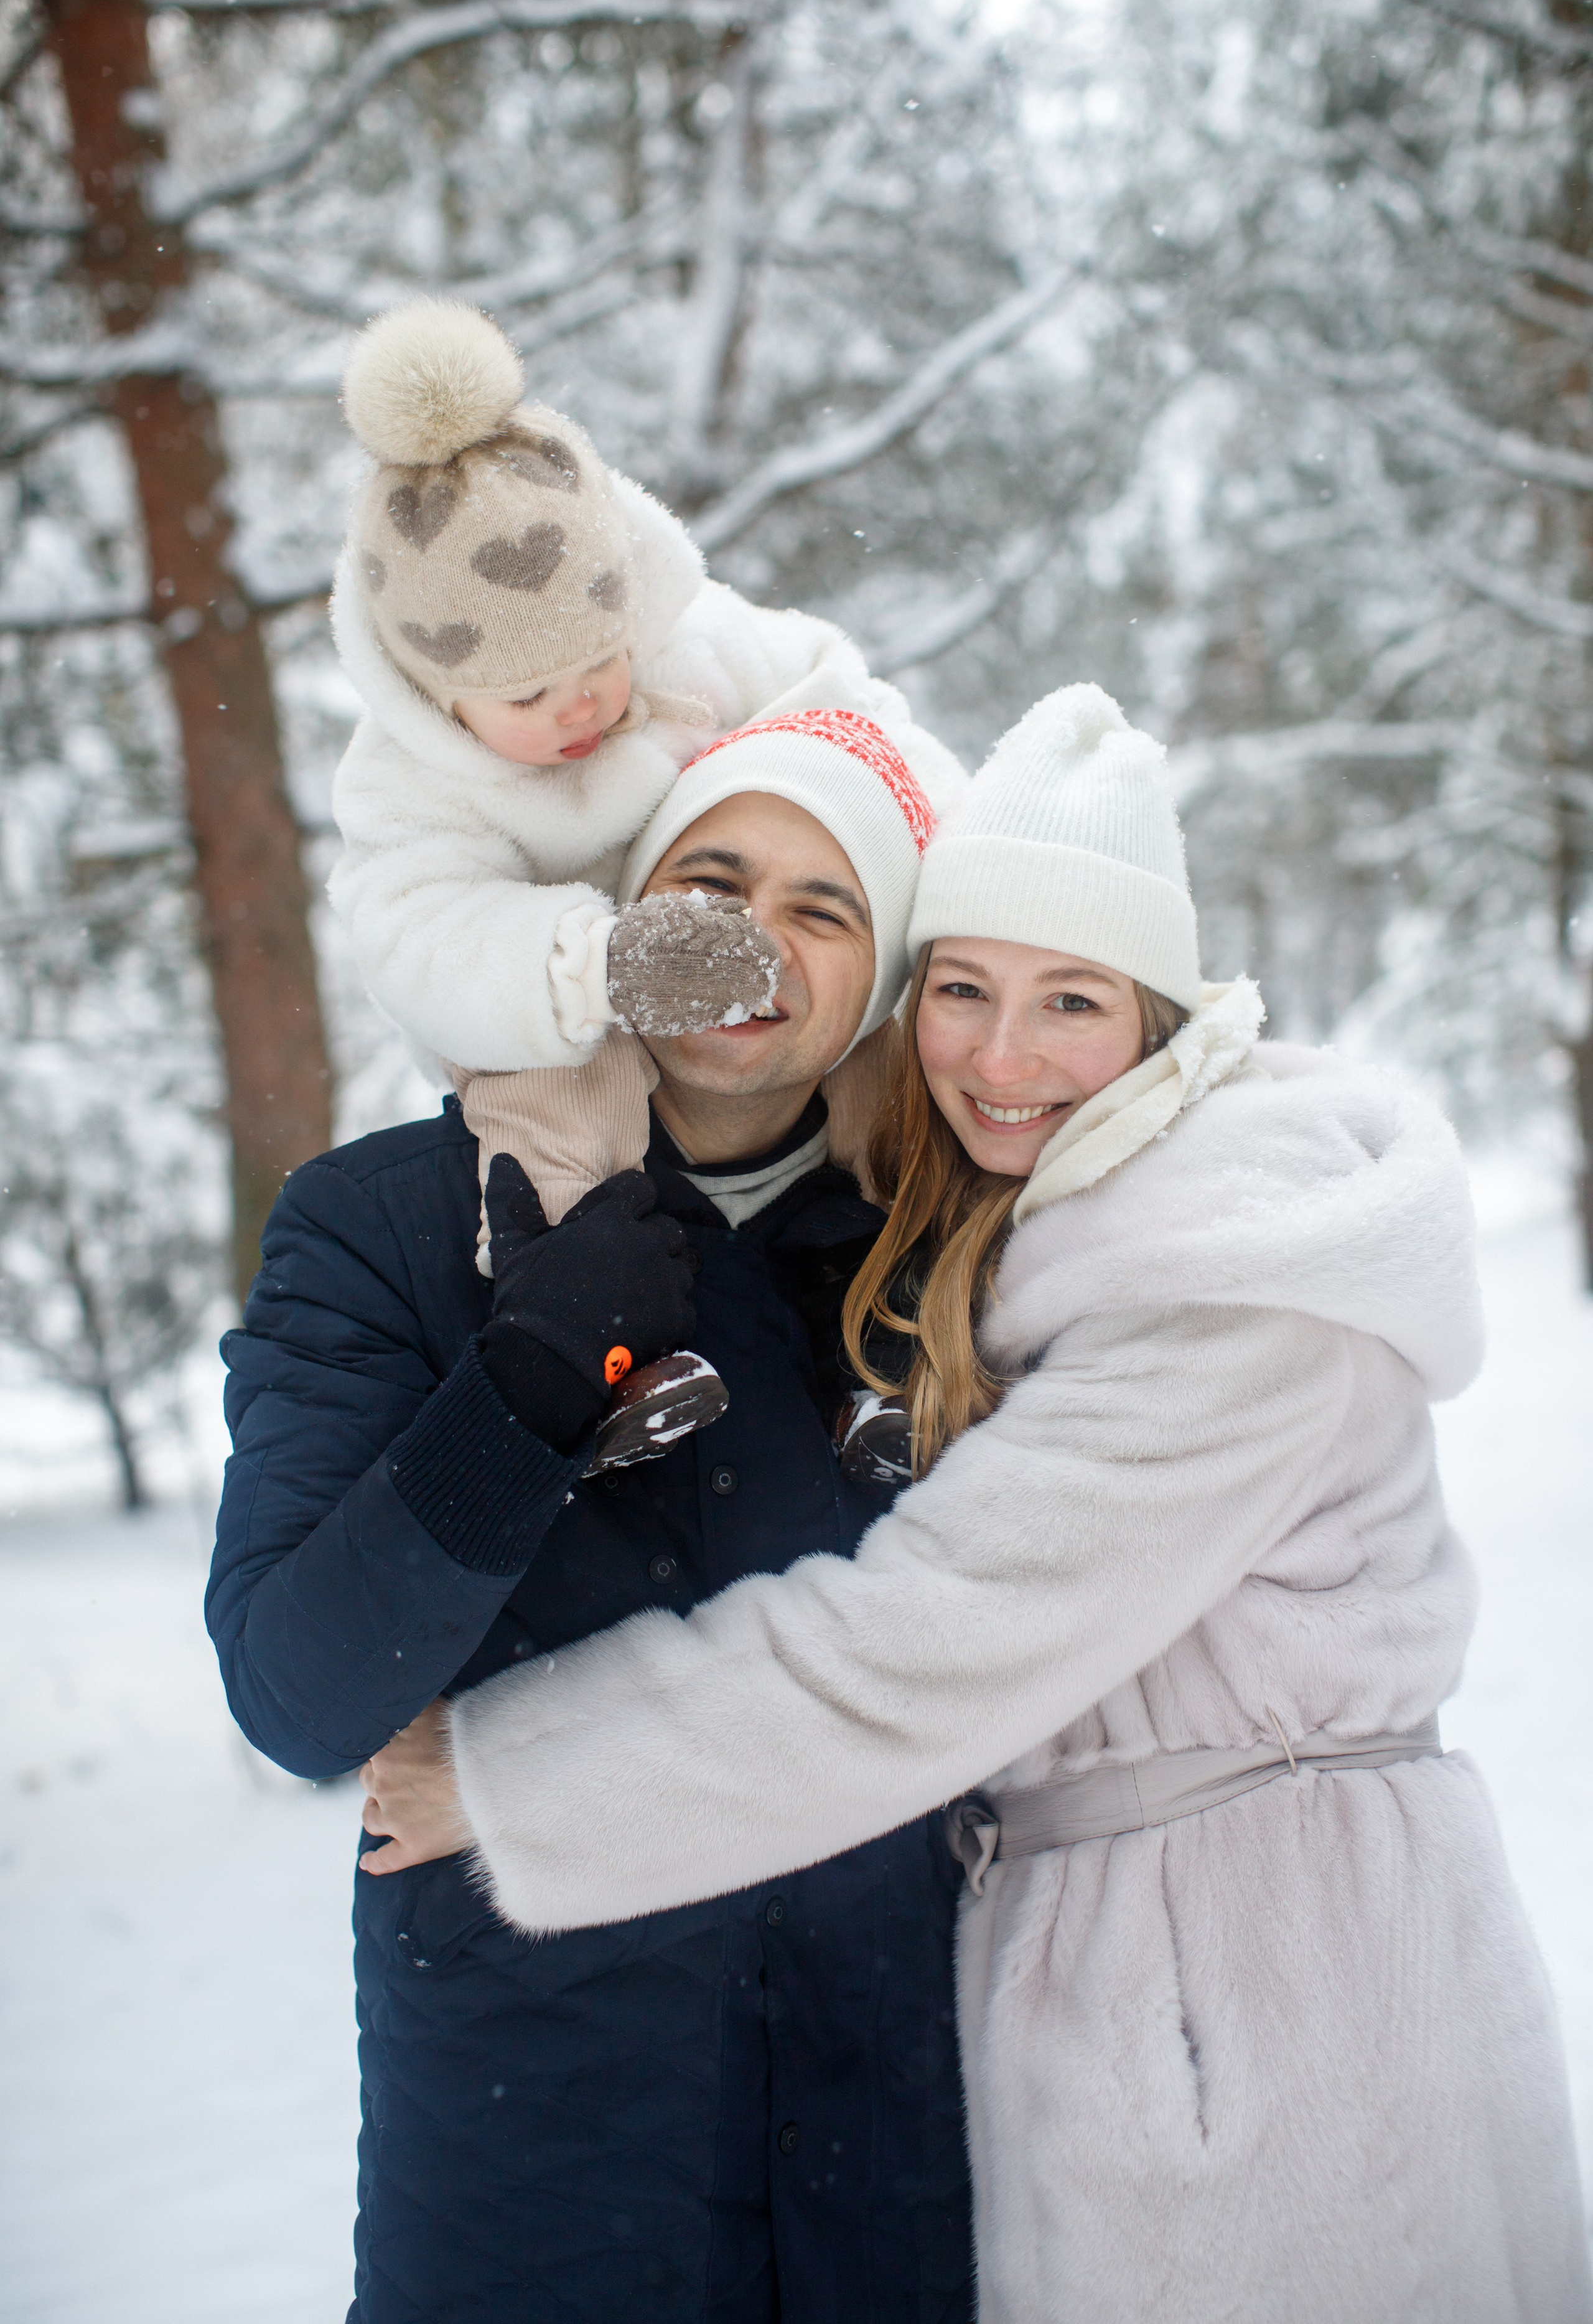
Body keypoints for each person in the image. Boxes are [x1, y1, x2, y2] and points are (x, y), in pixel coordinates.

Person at [370, 685, 1592, 2324]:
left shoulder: (1239, 1298)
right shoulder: (1063, 1225)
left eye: (1070, 1002)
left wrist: (514, 1779)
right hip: (1148, 1969)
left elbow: (925, 1642)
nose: (1002, 1060)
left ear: (1162, 1017)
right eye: (960, 990)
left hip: (1278, 1989)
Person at [207, 712, 974, 2324]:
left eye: (825, 907)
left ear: (878, 982)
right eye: (710, 875)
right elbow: (297, 1693)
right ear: (625, 908)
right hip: (531, 2164)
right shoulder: (386, 1228)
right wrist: (532, 1381)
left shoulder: (937, 1262)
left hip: (883, 2152)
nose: (751, 934)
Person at [328, 297, 959, 1462]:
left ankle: (889, 1348)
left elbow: (845, 695)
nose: (583, 707)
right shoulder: (413, 789)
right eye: (528, 698)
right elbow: (416, 934)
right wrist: (599, 967)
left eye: (602, 664)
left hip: (749, 977)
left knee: (882, 1078)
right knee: (557, 1115)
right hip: (548, 1003)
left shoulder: (693, 639)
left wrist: (898, 815)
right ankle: (609, 1357)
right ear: (438, 699)